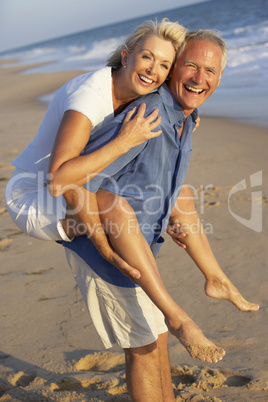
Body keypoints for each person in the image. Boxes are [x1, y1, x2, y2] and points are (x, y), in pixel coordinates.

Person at [59, 31, 259, 401]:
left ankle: (214, 279)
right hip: (107, 252)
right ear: (173, 72)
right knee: (144, 349)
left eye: (210, 71)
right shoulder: (148, 114)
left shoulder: (185, 118)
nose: (201, 78)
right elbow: (85, 184)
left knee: (157, 342)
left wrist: (166, 212)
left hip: (139, 249)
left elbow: (151, 182)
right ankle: (182, 314)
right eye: (192, 67)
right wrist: (104, 247)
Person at [5, 18, 187, 279]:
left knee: (171, 193)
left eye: (164, 65)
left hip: (61, 188)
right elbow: (59, 181)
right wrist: (123, 142)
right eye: (147, 57)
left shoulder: (139, 91)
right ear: (126, 57)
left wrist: (190, 115)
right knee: (128, 205)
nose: (152, 70)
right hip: (31, 197)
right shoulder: (89, 95)